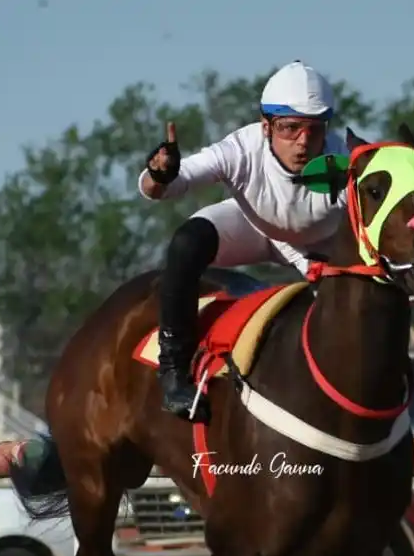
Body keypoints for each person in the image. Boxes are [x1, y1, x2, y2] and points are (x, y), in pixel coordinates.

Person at [138, 60, 350, 422]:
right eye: (289, 128)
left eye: (314, 130)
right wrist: (160, 173)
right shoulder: (240, 149)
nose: (302, 142)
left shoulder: (346, 160)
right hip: (255, 228)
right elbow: (163, 188)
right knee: (186, 243)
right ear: (266, 126)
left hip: (320, 246)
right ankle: (174, 371)